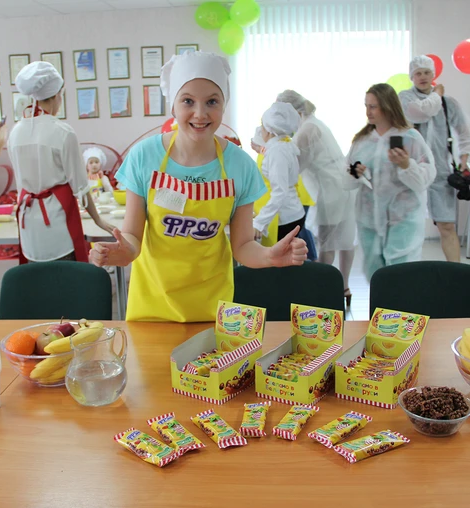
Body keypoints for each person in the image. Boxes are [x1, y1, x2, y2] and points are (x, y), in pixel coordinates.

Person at [90, 51, 308, 322]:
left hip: (212, 309)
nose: (200, 113)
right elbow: (132, 236)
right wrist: (123, 252)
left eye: (212, 101)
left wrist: (268, 256)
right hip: (152, 308)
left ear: (224, 105)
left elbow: (242, 245)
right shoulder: (144, 157)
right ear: (173, 105)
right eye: (188, 101)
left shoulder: (240, 165)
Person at [8, 61, 115, 263]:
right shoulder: (62, 132)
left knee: (35, 275)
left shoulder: (16, 132)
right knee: (64, 275)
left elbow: (21, 183)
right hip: (58, 224)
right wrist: (98, 220)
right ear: (58, 94)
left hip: (28, 222)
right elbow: (81, 187)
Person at [347, 83, 436, 279]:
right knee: (376, 274)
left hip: (403, 221)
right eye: (366, 106)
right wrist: (355, 173)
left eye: (373, 106)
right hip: (369, 222)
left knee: (401, 275)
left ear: (388, 106)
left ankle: (401, 301)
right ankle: (379, 301)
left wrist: (406, 165)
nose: (368, 112)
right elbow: (346, 178)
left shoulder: (411, 138)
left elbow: (425, 179)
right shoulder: (362, 141)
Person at [277, 89, 356, 306]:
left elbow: (295, 167)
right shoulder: (314, 122)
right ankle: (344, 287)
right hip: (342, 184)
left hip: (330, 189)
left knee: (327, 241)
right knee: (344, 240)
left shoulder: (306, 130)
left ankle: (323, 290)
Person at [399, 55, 470, 262]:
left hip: (441, 172)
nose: (423, 77)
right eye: (418, 73)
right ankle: (404, 269)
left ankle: (456, 272)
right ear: (412, 76)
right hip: (411, 171)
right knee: (406, 226)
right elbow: (421, 112)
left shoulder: (449, 104)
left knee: (447, 225)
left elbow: (465, 133)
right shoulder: (405, 98)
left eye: (427, 72)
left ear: (433, 74)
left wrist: (463, 160)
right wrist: (437, 94)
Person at [253, 102, 305, 242]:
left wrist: (259, 222)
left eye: (262, 125)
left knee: (278, 255)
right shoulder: (283, 144)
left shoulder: (277, 152)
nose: (260, 129)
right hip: (291, 212)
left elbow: (280, 192)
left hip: (285, 217)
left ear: (269, 130)